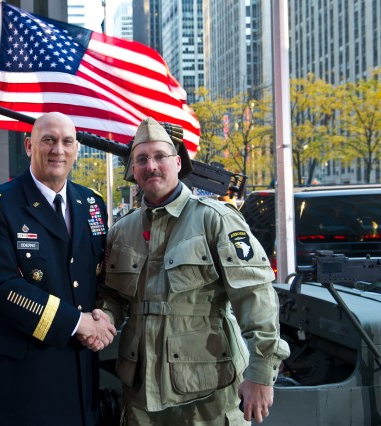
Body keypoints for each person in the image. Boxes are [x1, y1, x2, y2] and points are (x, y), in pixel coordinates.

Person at [96, 117, 290, 425]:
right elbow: (113, 296)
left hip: (208, 395)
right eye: (142, 159)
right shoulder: (122, 231)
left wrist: (262, 374)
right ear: (133, 171)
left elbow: (255, 296)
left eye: (160, 156)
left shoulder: (215, 220)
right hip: (141, 395)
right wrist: (104, 316)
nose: (152, 166)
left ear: (177, 162)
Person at [0, 112, 117, 426]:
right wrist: (78, 323)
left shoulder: (91, 203)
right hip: (23, 379)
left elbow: (100, 275)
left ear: (77, 149)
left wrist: (104, 315)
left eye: (67, 142)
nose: (57, 150)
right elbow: (1, 286)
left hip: (79, 373)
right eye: (48, 140)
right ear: (28, 146)